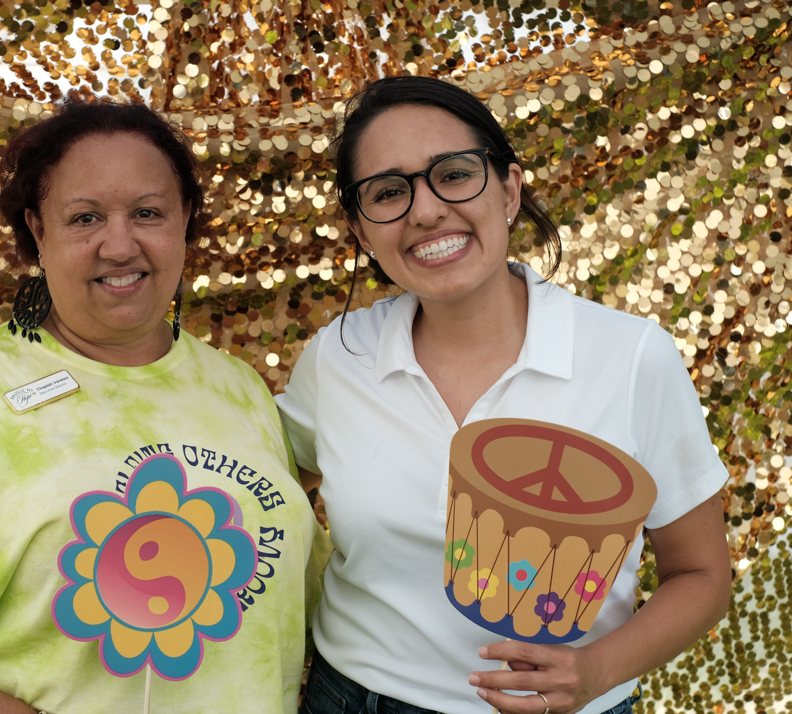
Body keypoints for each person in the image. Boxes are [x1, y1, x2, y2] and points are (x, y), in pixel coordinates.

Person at [0, 99, 326, 713]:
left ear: (184, 219)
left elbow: (294, 595)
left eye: (148, 212)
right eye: (84, 218)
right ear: (37, 229)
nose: (119, 244)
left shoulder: (239, 391)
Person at [276, 76, 731, 714]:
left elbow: (703, 577)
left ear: (510, 189)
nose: (426, 210)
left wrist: (596, 670)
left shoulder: (629, 356)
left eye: (454, 175)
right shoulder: (339, 355)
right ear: (359, 231)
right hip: (352, 698)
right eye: (387, 192)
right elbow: (265, 495)